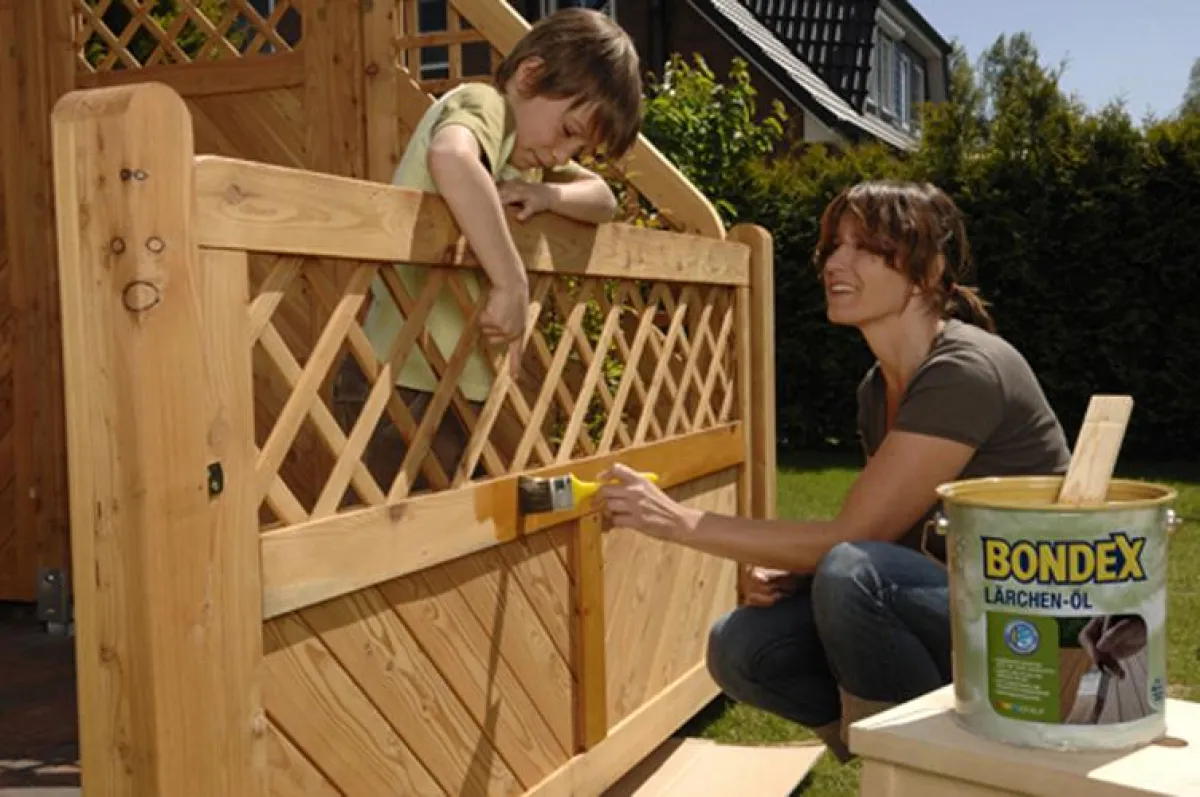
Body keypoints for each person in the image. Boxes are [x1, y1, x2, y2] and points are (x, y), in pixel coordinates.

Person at [593, 180, 1071, 761]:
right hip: (963, 605)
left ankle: (912, 769)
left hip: (1036, 633)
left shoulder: (966, 370)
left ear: (927, 269)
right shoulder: (878, 389)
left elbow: (857, 542)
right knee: (741, 644)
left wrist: (678, 522)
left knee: (851, 573)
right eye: (834, 246)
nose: (835, 263)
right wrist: (804, 574)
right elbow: (885, 532)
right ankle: (892, 758)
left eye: (865, 248)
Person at [336, 8, 642, 490]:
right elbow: (452, 158)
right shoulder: (485, 105)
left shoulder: (530, 157)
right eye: (567, 132)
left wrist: (548, 193)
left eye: (578, 150)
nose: (563, 156)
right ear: (530, 75)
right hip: (398, 378)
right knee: (387, 547)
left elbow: (604, 199)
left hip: (454, 382)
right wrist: (510, 279)